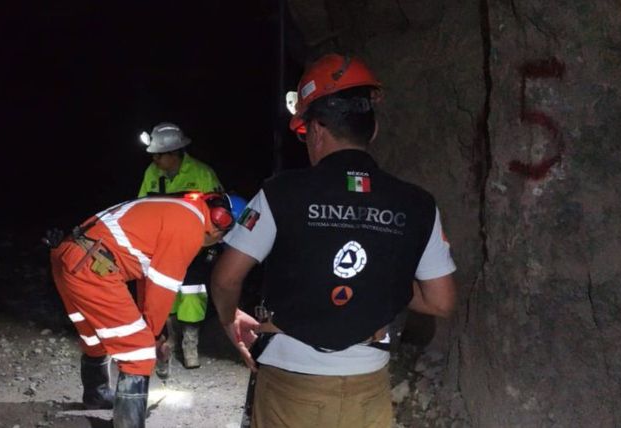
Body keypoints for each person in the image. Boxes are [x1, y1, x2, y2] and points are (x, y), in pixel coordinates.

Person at [210, 53, 458, 428]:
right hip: (368, 389)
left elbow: (226, 278)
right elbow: (441, 300)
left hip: (291, 386)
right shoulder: (417, 203)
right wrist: (378, 279)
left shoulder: (281, 193)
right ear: (372, 130)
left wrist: (230, 319)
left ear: (316, 130)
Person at [49, 192, 245, 427]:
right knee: (139, 351)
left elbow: (147, 279)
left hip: (70, 256)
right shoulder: (190, 226)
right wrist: (151, 338)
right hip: (92, 267)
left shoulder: (177, 209)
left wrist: (155, 331)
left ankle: (97, 396)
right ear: (221, 222)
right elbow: (162, 285)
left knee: (94, 336)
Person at [137, 122, 224, 372]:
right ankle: (171, 338)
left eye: (158, 155)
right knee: (166, 291)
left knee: (192, 292)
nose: (154, 160)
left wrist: (211, 240)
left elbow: (219, 212)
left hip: (196, 246)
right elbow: (141, 206)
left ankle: (190, 343)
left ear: (174, 153)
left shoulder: (202, 174)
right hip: (163, 246)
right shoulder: (151, 173)